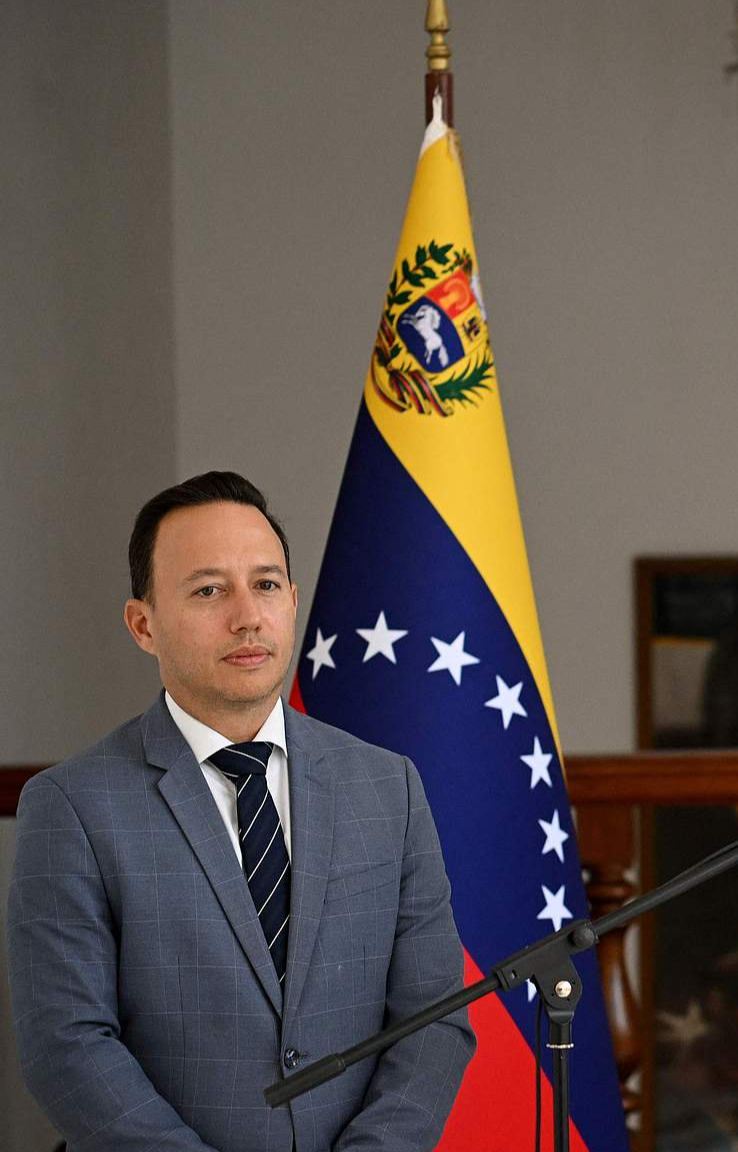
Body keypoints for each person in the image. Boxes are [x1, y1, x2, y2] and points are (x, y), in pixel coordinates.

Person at [7, 472, 475, 1152]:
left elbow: (433, 1017)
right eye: (208, 590)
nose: (247, 616)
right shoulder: (73, 806)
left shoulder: (387, 787)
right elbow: (66, 1046)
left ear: (291, 601)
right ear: (143, 624)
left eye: (264, 585)